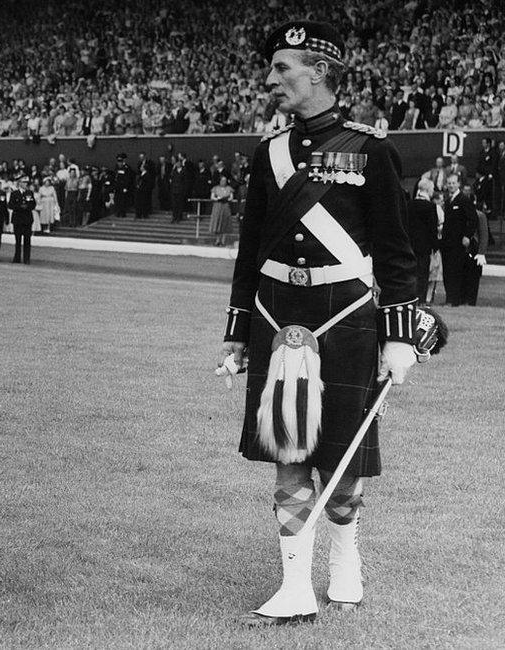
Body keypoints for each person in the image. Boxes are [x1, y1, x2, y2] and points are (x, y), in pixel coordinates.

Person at [220, 21, 417, 626]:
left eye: (282, 69)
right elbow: (250, 247)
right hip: (278, 315)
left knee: (341, 456)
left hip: (348, 317)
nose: (270, 80)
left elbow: (396, 252)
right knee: (288, 444)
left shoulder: (371, 150)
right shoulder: (268, 152)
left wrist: (399, 334)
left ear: (319, 73)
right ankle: (295, 585)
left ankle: (346, 556)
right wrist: (236, 331)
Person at [440, 173, 478, 306]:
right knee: (447, 271)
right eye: (449, 183)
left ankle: (454, 300)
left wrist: (467, 235)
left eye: (453, 183)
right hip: (447, 243)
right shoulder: (447, 200)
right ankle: (449, 298)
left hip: (457, 243)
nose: (451, 185)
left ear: (458, 184)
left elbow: (473, 219)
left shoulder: (463, 199)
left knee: (455, 271)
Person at [408, 179, 440, 302]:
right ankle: (420, 299)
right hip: (424, 247)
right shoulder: (431, 207)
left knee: (411, 274)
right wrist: (435, 247)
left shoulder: (409, 204)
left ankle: (410, 298)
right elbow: (433, 229)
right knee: (422, 274)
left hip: (410, 245)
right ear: (427, 190)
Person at [462, 199, 490, 305]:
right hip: (464, 249)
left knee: (473, 277)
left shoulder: (480, 215)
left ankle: (471, 300)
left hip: (475, 248)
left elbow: (484, 234)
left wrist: (481, 252)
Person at [9, 175, 36, 263]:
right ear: (19, 183)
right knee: (18, 240)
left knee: (27, 240)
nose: (25, 184)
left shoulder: (29, 193)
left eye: (26, 183)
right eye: (23, 182)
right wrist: (20, 207)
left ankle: (26, 258)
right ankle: (17, 257)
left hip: (27, 219)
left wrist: (27, 206)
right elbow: (10, 205)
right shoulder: (14, 194)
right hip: (18, 219)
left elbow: (33, 204)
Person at [208, 175, 233, 246]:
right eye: (222, 180)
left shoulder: (229, 188)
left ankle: (223, 241)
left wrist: (226, 199)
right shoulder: (215, 188)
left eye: (225, 181)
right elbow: (212, 197)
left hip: (225, 206)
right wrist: (218, 198)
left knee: (225, 223)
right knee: (218, 222)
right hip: (217, 206)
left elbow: (231, 197)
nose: (223, 182)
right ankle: (217, 240)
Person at [170, 153, 195, 222]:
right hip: (174, 190)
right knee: (174, 204)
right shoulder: (174, 171)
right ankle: (174, 217)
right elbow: (172, 180)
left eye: (179, 163)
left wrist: (184, 190)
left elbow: (186, 182)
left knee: (180, 204)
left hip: (181, 190)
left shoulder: (184, 171)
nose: (178, 164)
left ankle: (179, 217)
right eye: (177, 163)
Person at [111, 153, 135, 219]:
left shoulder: (126, 168)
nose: (119, 163)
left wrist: (126, 187)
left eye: (120, 161)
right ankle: (118, 212)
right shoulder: (116, 167)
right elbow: (115, 176)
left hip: (123, 186)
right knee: (117, 199)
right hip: (117, 186)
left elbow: (128, 178)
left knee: (123, 200)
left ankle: (122, 212)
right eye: (118, 161)